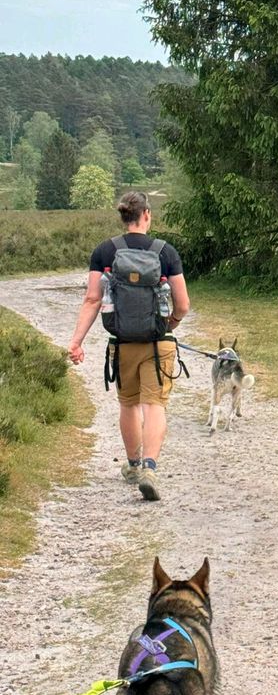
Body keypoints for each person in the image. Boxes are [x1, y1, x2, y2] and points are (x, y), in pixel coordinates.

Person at [68, 191, 190, 501]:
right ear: (147, 214)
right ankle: (150, 467)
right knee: (155, 405)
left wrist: (76, 341)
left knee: (129, 404)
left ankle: (134, 464)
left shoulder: (105, 251)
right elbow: (183, 304)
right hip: (157, 342)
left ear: (124, 217)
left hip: (122, 344)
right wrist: (170, 324)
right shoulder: (166, 252)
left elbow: (93, 299)